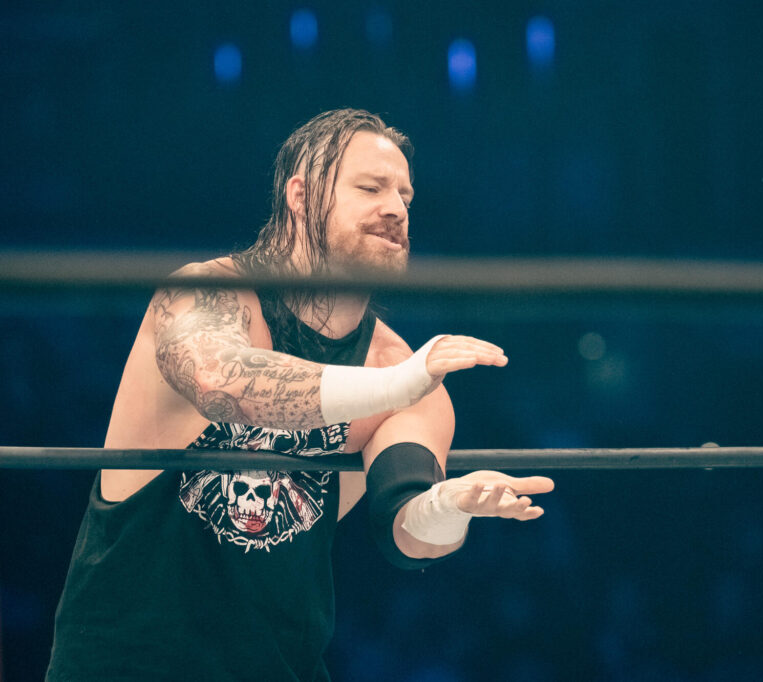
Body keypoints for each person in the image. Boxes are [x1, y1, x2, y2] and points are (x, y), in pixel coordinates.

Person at [46, 108, 554, 681]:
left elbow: (407, 531)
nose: (396, 208)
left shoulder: (406, 373)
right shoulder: (207, 293)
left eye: (406, 196)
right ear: (301, 196)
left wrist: (450, 506)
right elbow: (219, 380)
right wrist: (399, 383)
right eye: (371, 188)